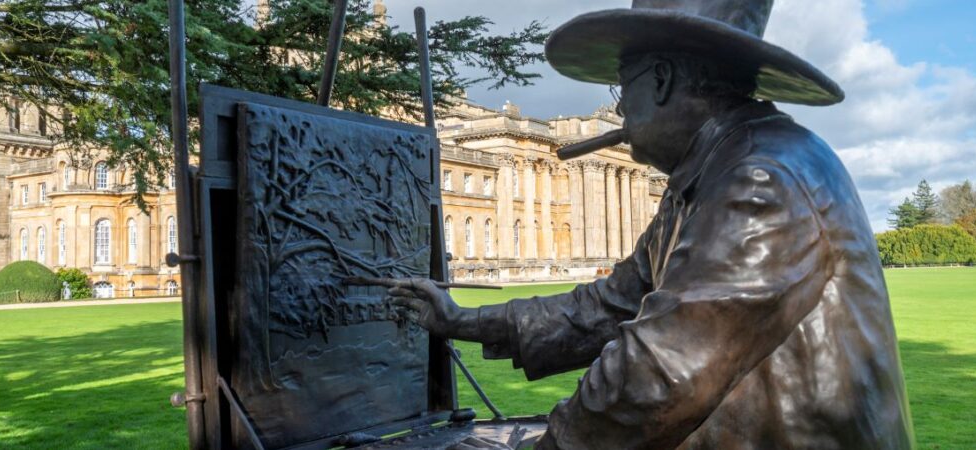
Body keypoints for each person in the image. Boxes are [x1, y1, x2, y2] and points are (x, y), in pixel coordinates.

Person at [389, 1, 915, 448]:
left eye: (622, 91)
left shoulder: (760, 176)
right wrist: (461, 320)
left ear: (660, 80)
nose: (620, 115)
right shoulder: (710, 171)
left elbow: (662, 369)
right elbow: (607, 305)